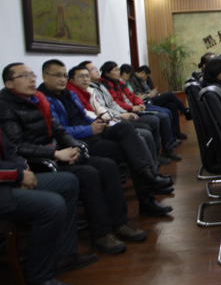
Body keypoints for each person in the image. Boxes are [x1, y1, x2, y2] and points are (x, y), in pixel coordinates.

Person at [0, 63, 144, 255]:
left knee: (107, 165)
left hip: (58, 153)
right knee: (89, 174)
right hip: (38, 163)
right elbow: (17, 147)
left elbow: (59, 130)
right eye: (24, 76)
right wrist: (54, 153)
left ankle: (121, 223)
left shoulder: (38, 100)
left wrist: (74, 146)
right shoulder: (6, 107)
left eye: (32, 75)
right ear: (9, 83)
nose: (32, 79)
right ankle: (102, 234)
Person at [38, 61, 174, 217]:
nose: (62, 79)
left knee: (126, 129)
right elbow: (61, 131)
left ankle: (149, 175)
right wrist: (90, 128)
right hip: (80, 141)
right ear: (45, 76)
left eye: (64, 75)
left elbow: (85, 116)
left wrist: (99, 122)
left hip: (95, 130)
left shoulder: (69, 94)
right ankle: (148, 190)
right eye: (58, 75)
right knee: (133, 148)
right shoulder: (44, 99)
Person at [0, 128, 97, 285]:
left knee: (68, 182)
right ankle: (38, 278)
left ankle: (64, 255)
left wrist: (24, 171)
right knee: (52, 205)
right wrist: (18, 176)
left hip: (9, 181)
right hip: (5, 188)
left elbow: (11, 152)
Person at [99, 61, 181, 162]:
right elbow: (115, 103)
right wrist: (132, 108)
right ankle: (157, 155)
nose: (118, 72)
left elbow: (132, 96)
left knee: (167, 111)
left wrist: (139, 103)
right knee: (159, 118)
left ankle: (168, 149)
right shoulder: (105, 87)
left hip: (135, 108)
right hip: (126, 113)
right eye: (115, 70)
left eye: (118, 69)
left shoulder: (120, 83)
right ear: (107, 73)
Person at [123, 64, 191, 140]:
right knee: (170, 95)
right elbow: (135, 94)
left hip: (149, 98)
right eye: (146, 76)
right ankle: (185, 110)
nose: (146, 78)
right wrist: (148, 95)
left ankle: (176, 133)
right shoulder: (132, 79)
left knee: (172, 105)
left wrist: (152, 91)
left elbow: (148, 89)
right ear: (142, 73)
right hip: (146, 101)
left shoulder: (141, 79)